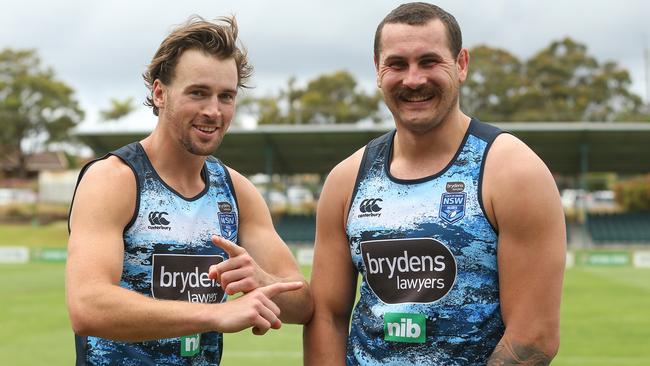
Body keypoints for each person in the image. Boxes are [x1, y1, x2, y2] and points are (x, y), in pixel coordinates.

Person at [304, 2, 565, 365]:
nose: (413, 79)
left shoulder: (512, 170)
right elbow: (327, 317)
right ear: (378, 70)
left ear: (460, 65)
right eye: (397, 64)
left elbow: (532, 339)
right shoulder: (347, 179)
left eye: (429, 61)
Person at [66, 16, 312, 365]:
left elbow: (303, 305)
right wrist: (212, 315)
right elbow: (87, 306)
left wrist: (260, 279)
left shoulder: (236, 191)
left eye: (226, 96)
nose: (213, 111)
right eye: (198, 93)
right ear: (160, 93)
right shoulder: (114, 179)